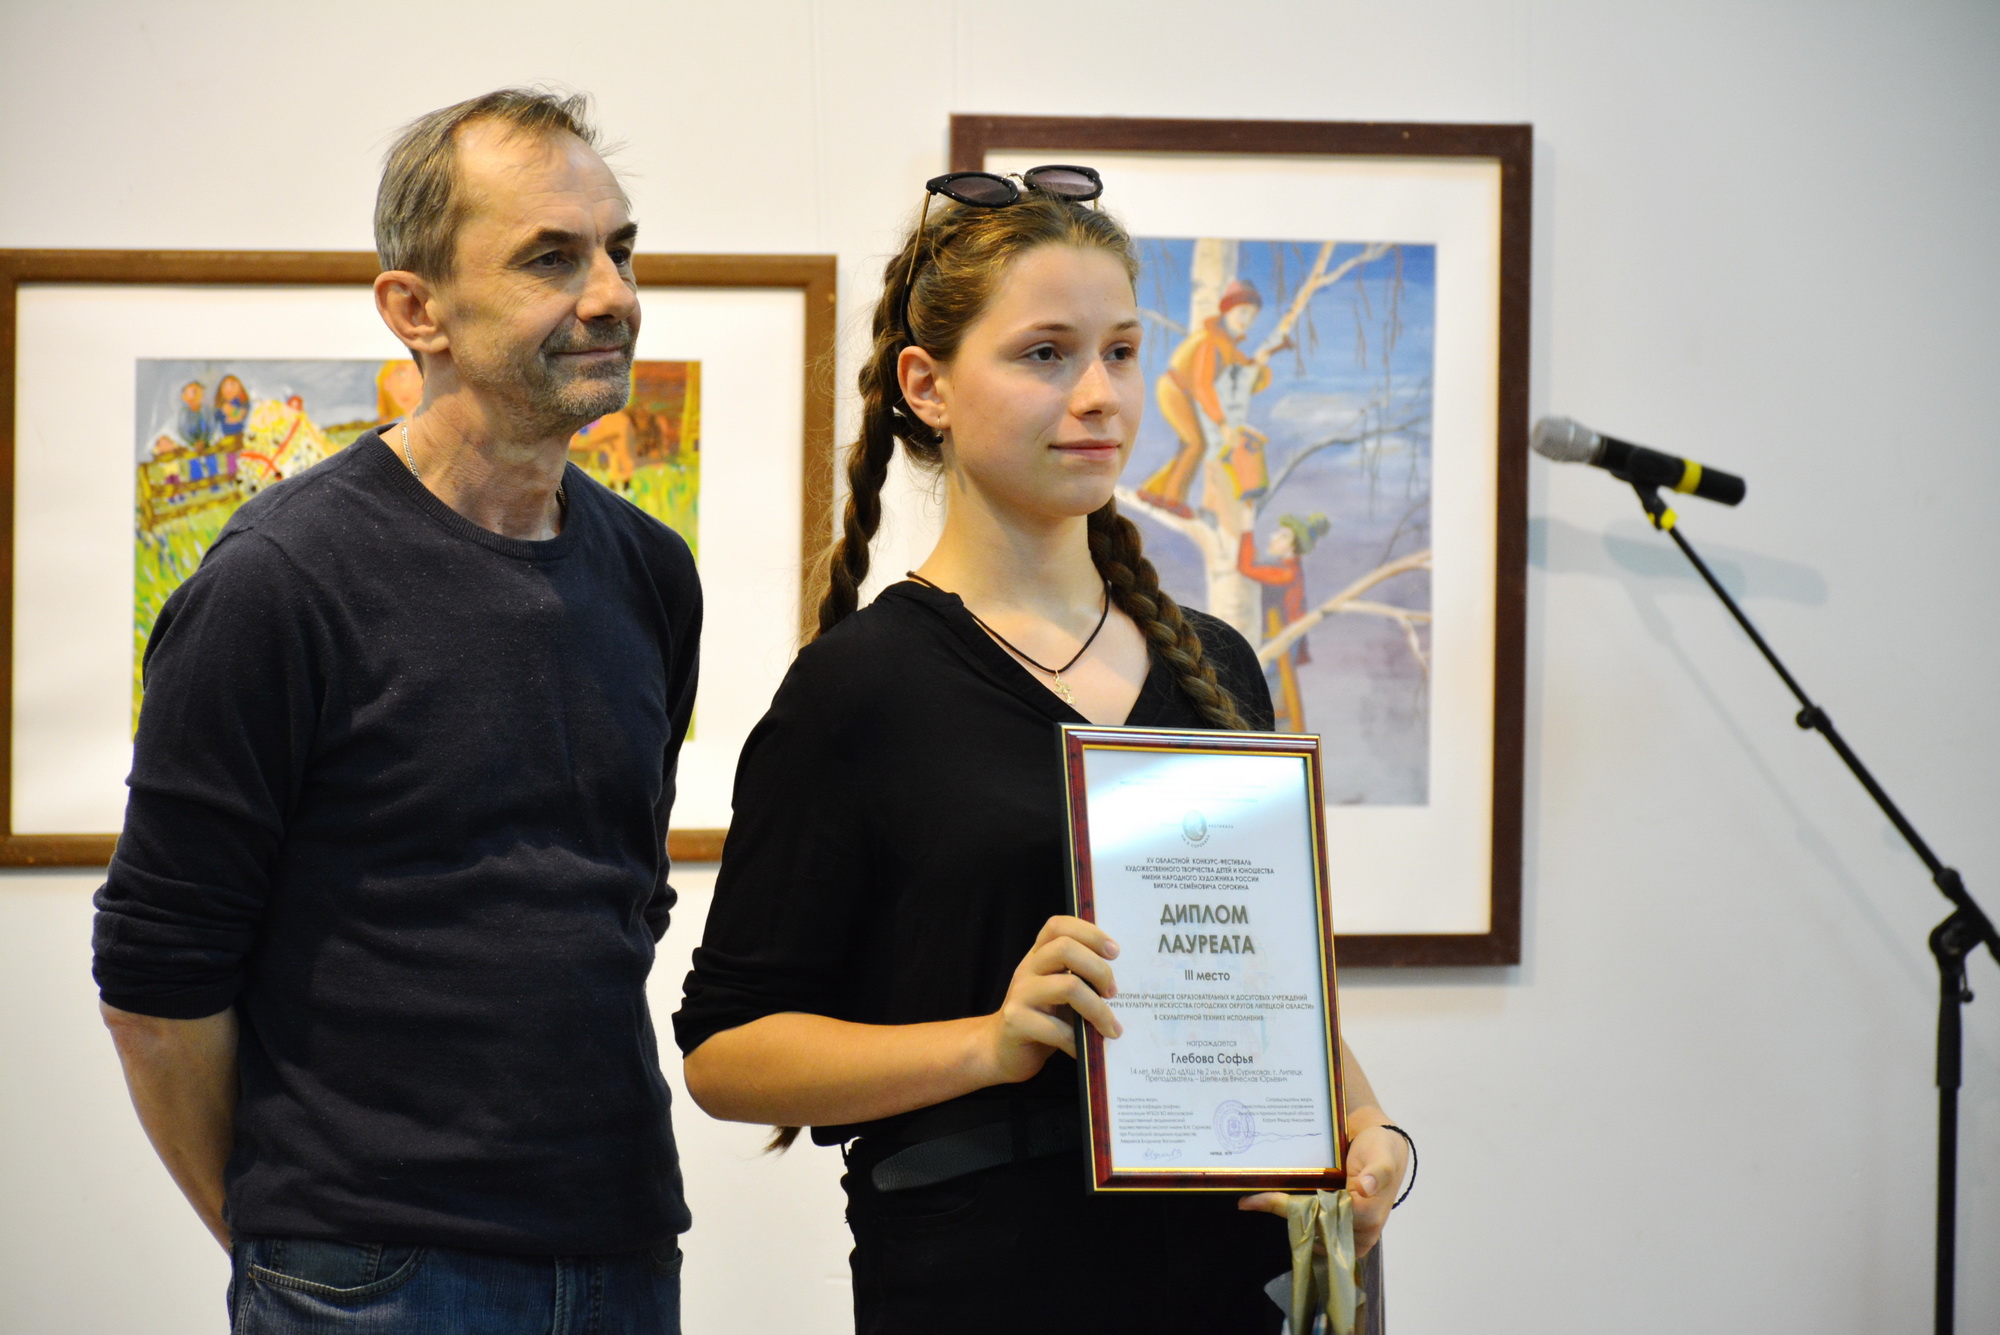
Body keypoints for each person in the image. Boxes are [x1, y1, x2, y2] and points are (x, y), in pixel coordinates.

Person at [674, 172, 1406, 1334]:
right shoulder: (860, 689)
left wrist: (1366, 1130)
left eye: (1119, 352)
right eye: (1045, 355)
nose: (1099, 394)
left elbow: (1256, 974)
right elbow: (726, 1054)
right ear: (927, 387)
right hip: (985, 1285)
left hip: (1231, 1282)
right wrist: (988, 1043)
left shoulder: (1215, 663)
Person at [92, 89, 699, 1334]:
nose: (611, 295)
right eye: (550, 258)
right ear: (415, 310)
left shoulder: (650, 571)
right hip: (368, 1275)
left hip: (623, 1246)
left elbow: (623, 901)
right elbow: (156, 985)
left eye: (619, 249)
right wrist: (285, 1246)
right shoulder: (279, 582)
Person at [1137, 277, 1277, 516]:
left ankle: (1154, 491)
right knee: (1197, 443)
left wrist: (1260, 368)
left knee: (1190, 444)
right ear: (1227, 310)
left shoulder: (1226, 342)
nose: (1247, 320)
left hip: (1183, 392)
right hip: (1176, 390)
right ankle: (1173, 499)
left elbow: (1243, 371)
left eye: (1252, 316)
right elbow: (1203, 386)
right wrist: (1221, 423)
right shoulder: (1211, 341)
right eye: (1243, 312)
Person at [1238, 512, 1332, 732]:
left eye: (1282, 535)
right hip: (1276, 639)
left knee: (1268, 696)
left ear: (1292, 547)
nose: (1273, 537)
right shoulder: (1285, 568)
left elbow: (1246, 567)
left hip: (1282, 642)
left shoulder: (1287, 573)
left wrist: (1246, 529)